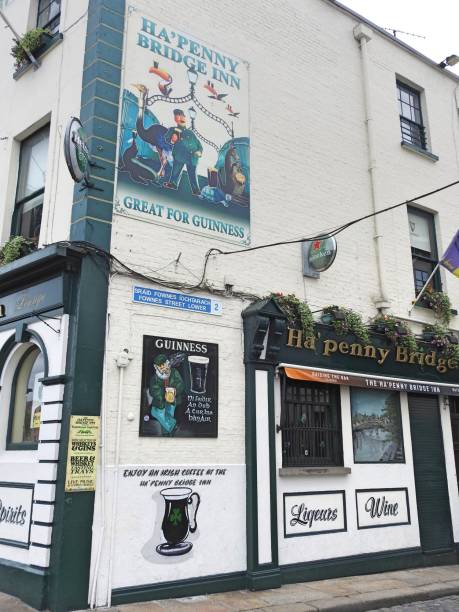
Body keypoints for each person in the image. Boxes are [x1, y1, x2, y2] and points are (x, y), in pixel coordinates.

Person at [163, 109, 203, 195]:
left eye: (182, 116)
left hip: (192, 158)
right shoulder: (173, 129)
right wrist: (172, 140)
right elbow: (167, 138)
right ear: (176, 119)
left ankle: (196, 190)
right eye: (178, 116)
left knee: (192, 175)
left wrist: (199, 152)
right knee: (176, 171)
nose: (181, 118)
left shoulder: (191, 133)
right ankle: (173, 183)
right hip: (180, 155)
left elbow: (199, 145)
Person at [148, 353, 185, 435]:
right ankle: (173, 425)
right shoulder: (155, 378)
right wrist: (162, 394)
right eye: (162, 367)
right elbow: (153, 390)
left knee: (168, 416)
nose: (165, 368)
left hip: (172, 400)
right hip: (160, 402)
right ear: (156, 367)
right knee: (155, 412)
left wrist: (175, 390)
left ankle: (168, 434)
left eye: (166, 365)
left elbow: (181, 384)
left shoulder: (174, 372)